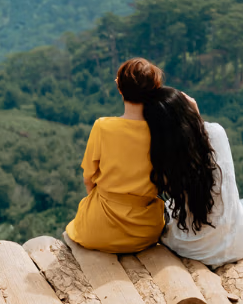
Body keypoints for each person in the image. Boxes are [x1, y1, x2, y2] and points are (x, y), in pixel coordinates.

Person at [66, 57, 167, 253]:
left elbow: (88, 178)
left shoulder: (103, 126)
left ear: (119, 88)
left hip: (98, 229)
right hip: (145, 232)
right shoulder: (161, 130)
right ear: (155, 90)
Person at [155, 87, 243, 265]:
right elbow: (199, 141)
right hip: (238, 242)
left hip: (196, 249)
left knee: (164, 209)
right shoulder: (217, 132)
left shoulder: (164, 153)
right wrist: (195, 115)